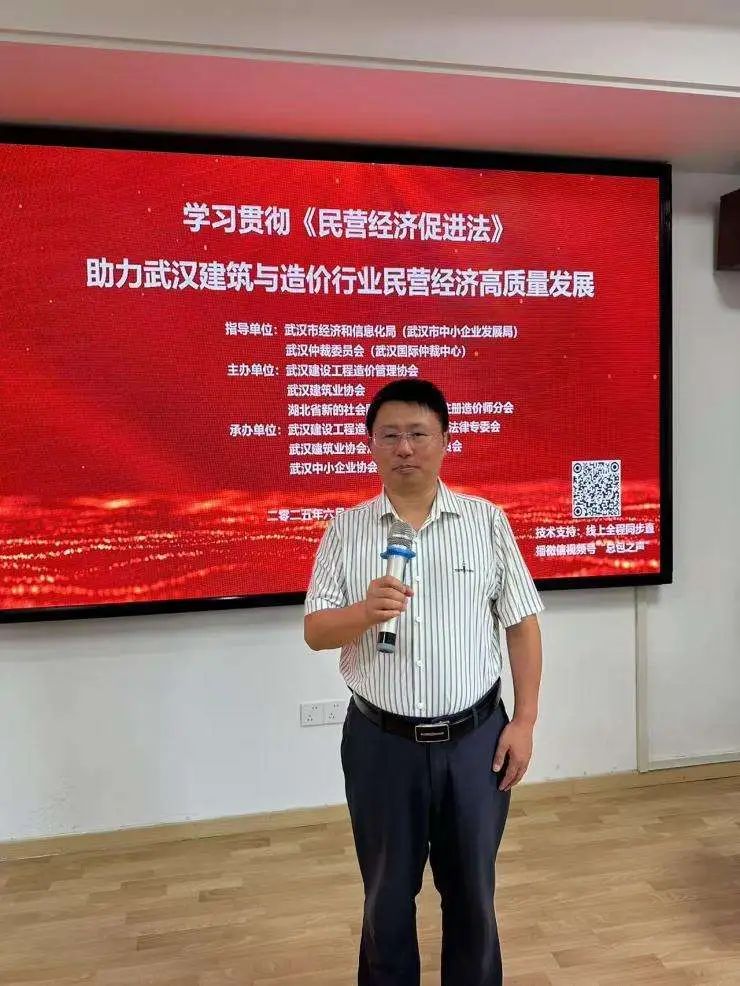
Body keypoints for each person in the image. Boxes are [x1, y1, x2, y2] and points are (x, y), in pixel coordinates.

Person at [304, 378, 543, 986]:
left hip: (476, 743)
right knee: (386, 898)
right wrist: (364, 613)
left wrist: (524, 721)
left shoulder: (486, 522)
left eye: (418, 434)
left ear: (444, 441)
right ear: (371, 445)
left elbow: (521, 625)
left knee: (473, 897)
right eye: (390, 436)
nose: (404, 448)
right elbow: (316, 631)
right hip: (381, 745)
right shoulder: (346, 530)